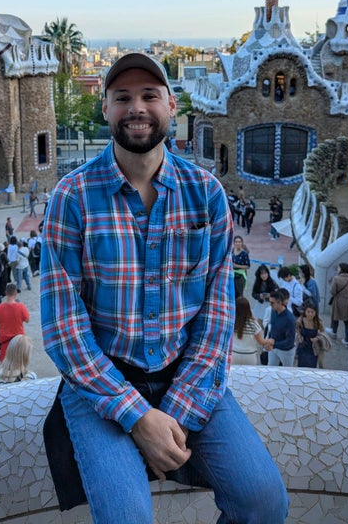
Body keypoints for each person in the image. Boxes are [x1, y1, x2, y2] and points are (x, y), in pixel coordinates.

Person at [41, 52, 288, 523]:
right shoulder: (72, 197)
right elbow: (63, 329)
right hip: (103, 379)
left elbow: (217, 315)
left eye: (149, 95)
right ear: (105, 109)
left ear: (172, 105)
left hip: (186, 372)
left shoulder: (205, 193)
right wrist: (137, 416)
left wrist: (175, 413)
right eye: (122, 97)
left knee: (264, 502)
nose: (136, 107)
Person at [0, 282, 30, 361]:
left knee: (5, 362)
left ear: (6, 292)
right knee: (19, 361)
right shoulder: (21, 307)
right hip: (19, 339)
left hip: (5, 340)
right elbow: (27, 320)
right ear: (15, 293)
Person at [326, 263, 348, 344]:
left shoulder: (336, 278)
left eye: (338, 268)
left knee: (335, 317)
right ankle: (347, 338)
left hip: (338, 301)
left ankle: (334, 332)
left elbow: (333, 291)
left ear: (341, 269)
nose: (337, 269)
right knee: (347, 320)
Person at [264, 290, 296, 367]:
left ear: (279, 302)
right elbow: (272, 328)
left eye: (272, 303)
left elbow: (290, 341)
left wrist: (273, 344)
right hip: (274, 347)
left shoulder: (290, 319)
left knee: (287, 371)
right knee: (270, 369)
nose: (270, 305)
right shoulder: (273, 312)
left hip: (286, 351)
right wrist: (269, 341)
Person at [232, 297, 267, 366]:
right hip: (249, 355)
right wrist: (270, 341)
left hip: (234, 353)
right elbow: (260, 341)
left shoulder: (232, 321)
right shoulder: (253, 323)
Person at [295, 303, 324, 368]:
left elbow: (323, 333)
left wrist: (317, 338)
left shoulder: (318, 322)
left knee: (312, 367)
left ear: (315, 313)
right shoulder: (300, 321)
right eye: (308, 312)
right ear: (305, 312)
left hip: (314, 348)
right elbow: (297, 329)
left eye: (312, 312)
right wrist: (299, 336)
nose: (310, 314)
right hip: (303, 347)